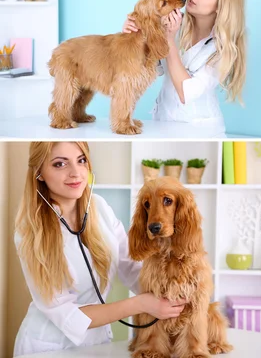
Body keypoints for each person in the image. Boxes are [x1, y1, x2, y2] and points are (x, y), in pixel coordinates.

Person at [14, 141, 186, 355]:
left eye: (81, 160)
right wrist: (142, 304)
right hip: (49, 346)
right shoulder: (30, 231)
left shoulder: (100, 207)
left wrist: (176, 288)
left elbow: (132, 269)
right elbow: (67, 315)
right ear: (39, 172)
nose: (76, 173)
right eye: (60, 164)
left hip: (98, 344)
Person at [123, 0, 246, 137]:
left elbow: (186, 93)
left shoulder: (224, 49)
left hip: (201, 131)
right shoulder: (173, 24)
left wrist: (168, 41)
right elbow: (149, 67)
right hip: (163, 122)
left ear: (221, 6)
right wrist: (133, 36)